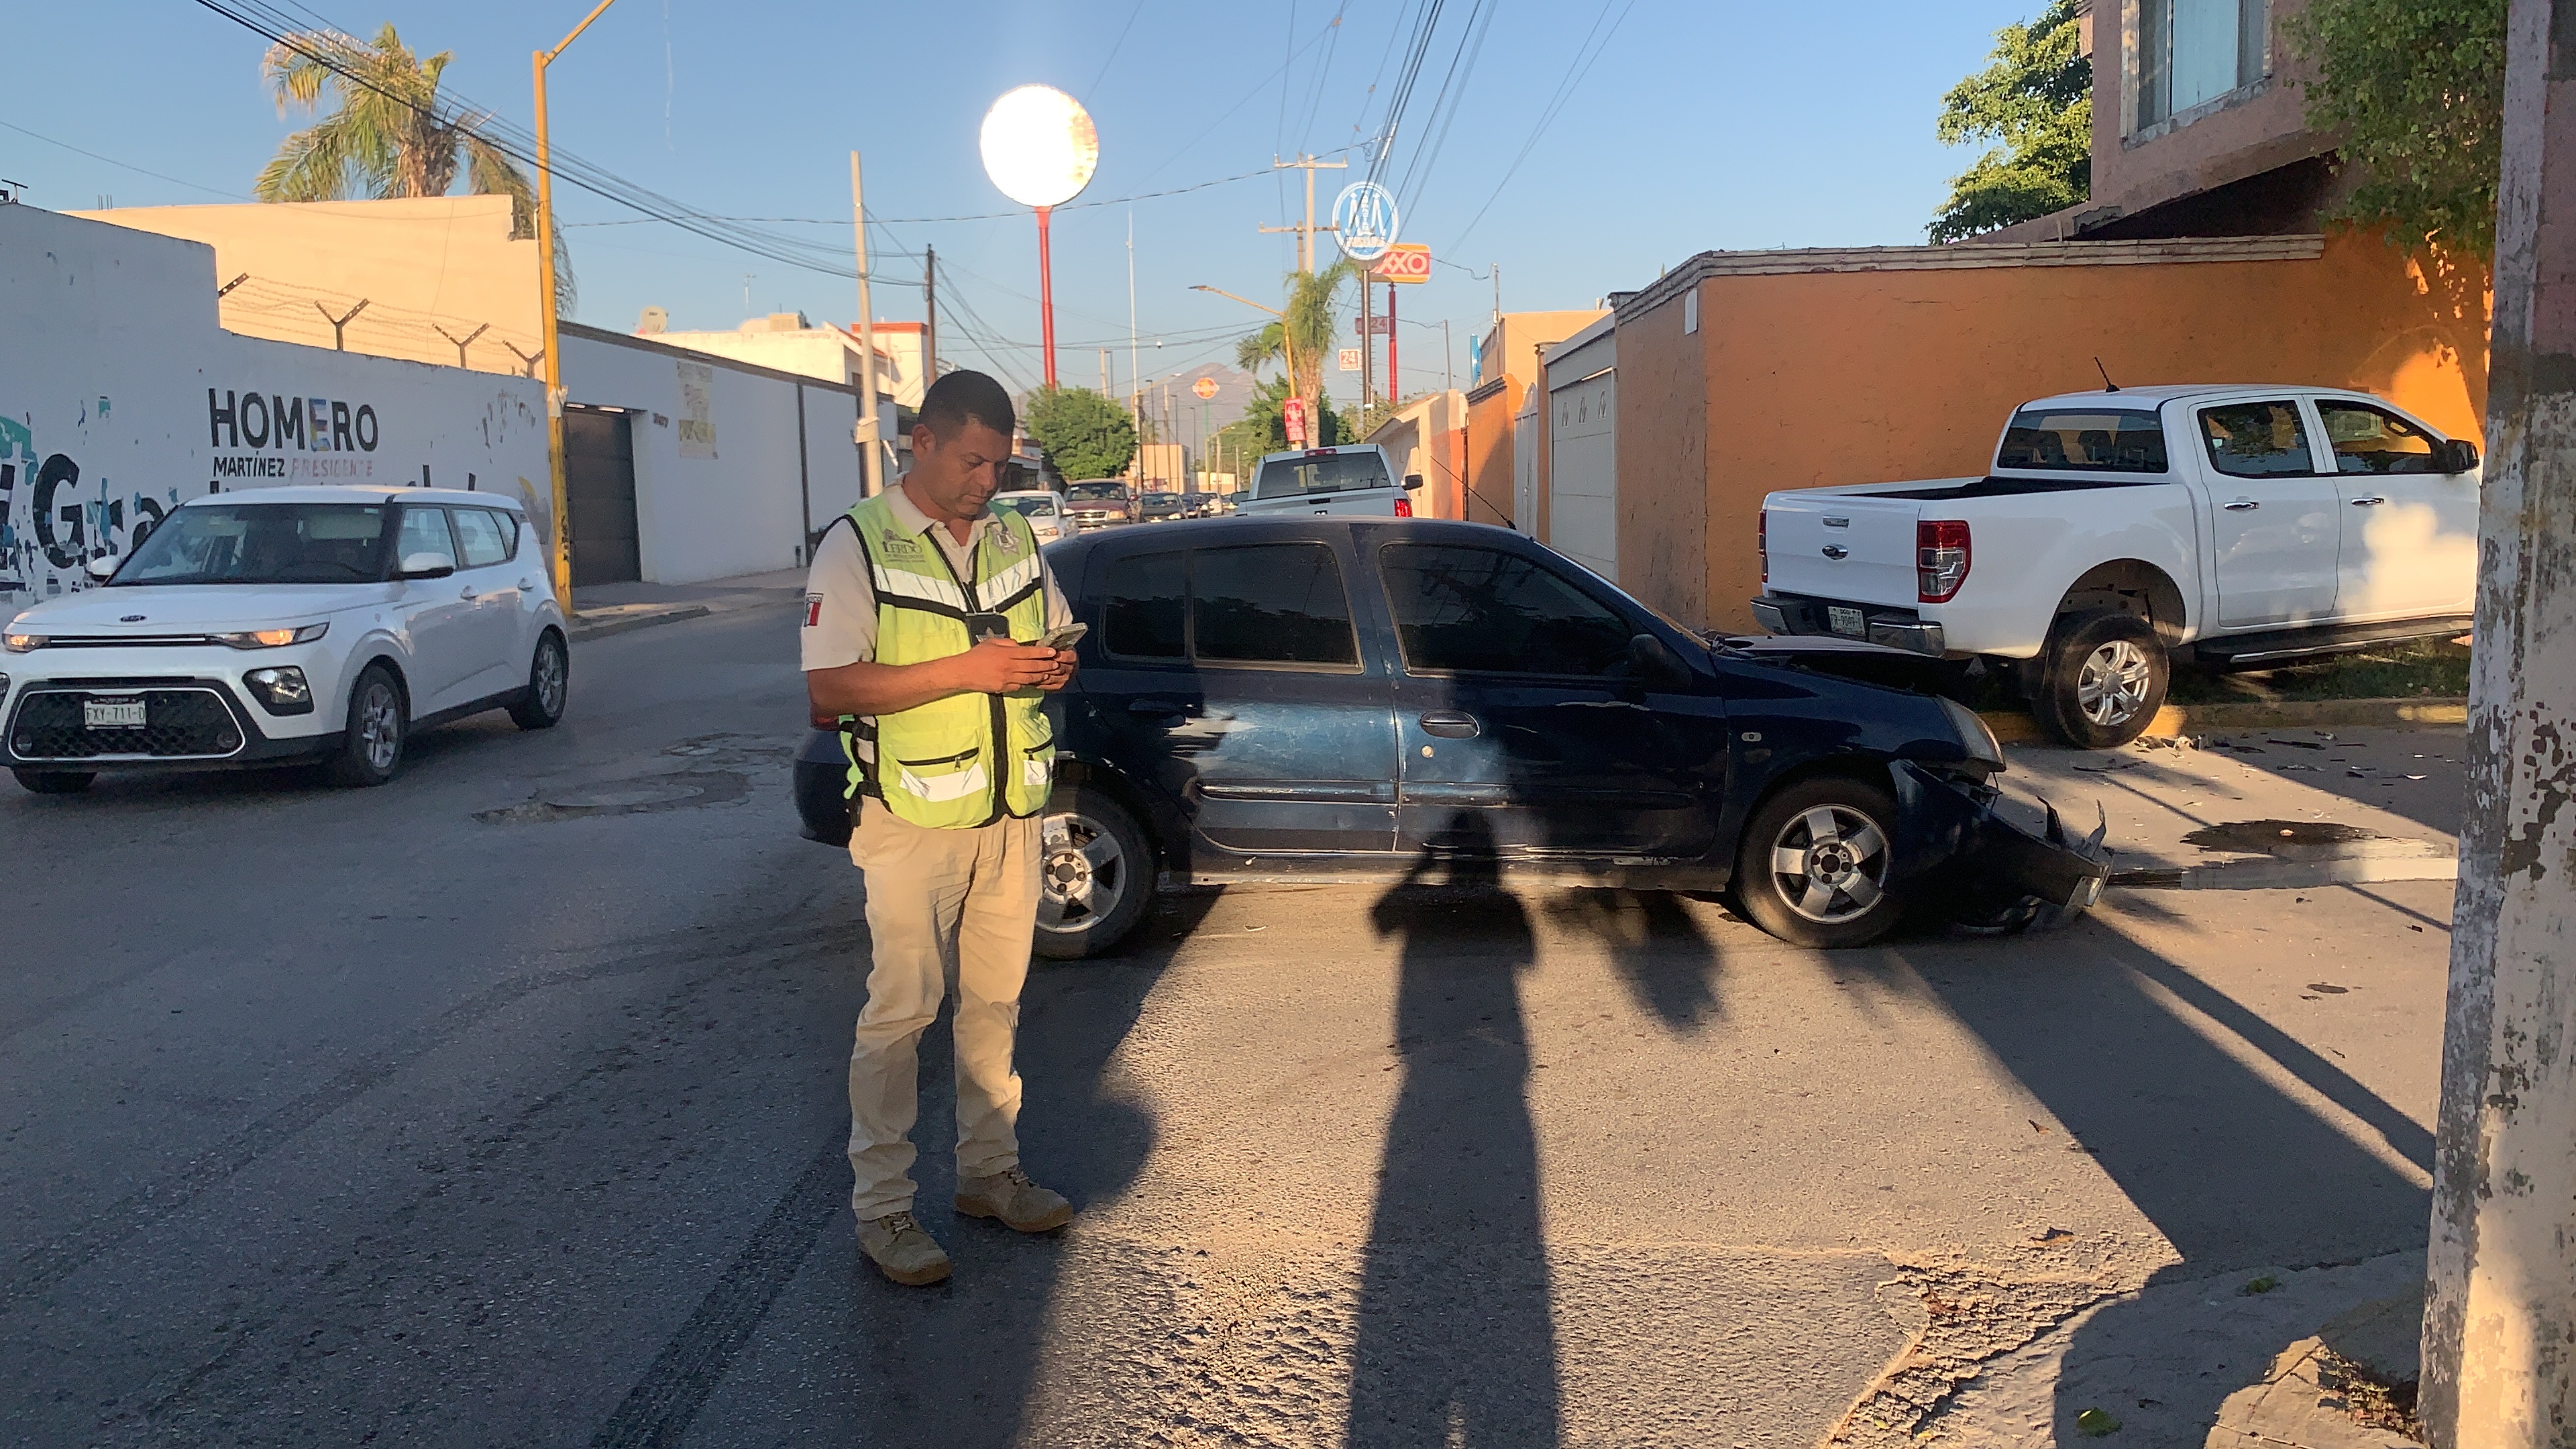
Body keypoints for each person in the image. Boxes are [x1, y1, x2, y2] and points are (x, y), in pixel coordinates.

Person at [800, 370, 1080, 1287]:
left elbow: (1051, 635)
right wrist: (974, 670)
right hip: (910, 820)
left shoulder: (1012, 536)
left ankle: (988, 1175)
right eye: (972, 461)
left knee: (994, 1005)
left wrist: (1047, 670)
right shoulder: (858, 545)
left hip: (1009, 813)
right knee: (902, 1015)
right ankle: (884, 1212)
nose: (986, 482)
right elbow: (829, 692)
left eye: (999, 464)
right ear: (919, 442)